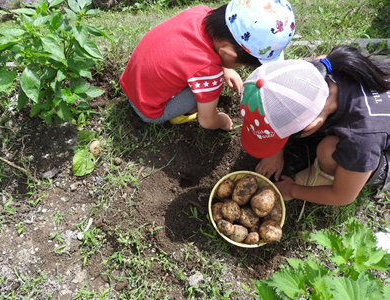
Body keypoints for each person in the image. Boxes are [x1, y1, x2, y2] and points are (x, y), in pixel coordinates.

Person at [239, 45, 390, 206]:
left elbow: (342, 197)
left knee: (327, 151)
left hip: (377, 142)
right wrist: (275, 152)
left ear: (311, 126)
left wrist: (292, 190)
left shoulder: (362, 139)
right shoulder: (322, 67)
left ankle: (342, 174)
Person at [120, 0, 295, 130]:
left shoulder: (201, 13)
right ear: (227, 53)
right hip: (147, 110)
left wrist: (225, 68)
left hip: (130, 81)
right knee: (203, 94)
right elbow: (207, 121)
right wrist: (223, 120)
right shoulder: (208, 71)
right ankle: (177, 114)